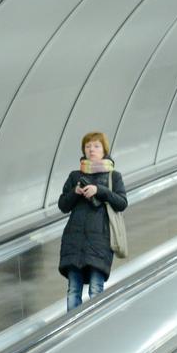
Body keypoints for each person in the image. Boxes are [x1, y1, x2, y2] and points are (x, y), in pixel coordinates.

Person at [55, 131, 130, 311]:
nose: (91, 150)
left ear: (104, 149)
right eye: (88, 146)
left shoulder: (114, 176)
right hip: (75, 241)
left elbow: (122, 203)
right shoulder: (75, 176)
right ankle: (72, 331)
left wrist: (99, 190)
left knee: (96, 289)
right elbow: (63, 205)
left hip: (100, 241)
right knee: (73, 290)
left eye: (96, 146)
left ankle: (96, 328)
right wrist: (75, 192)